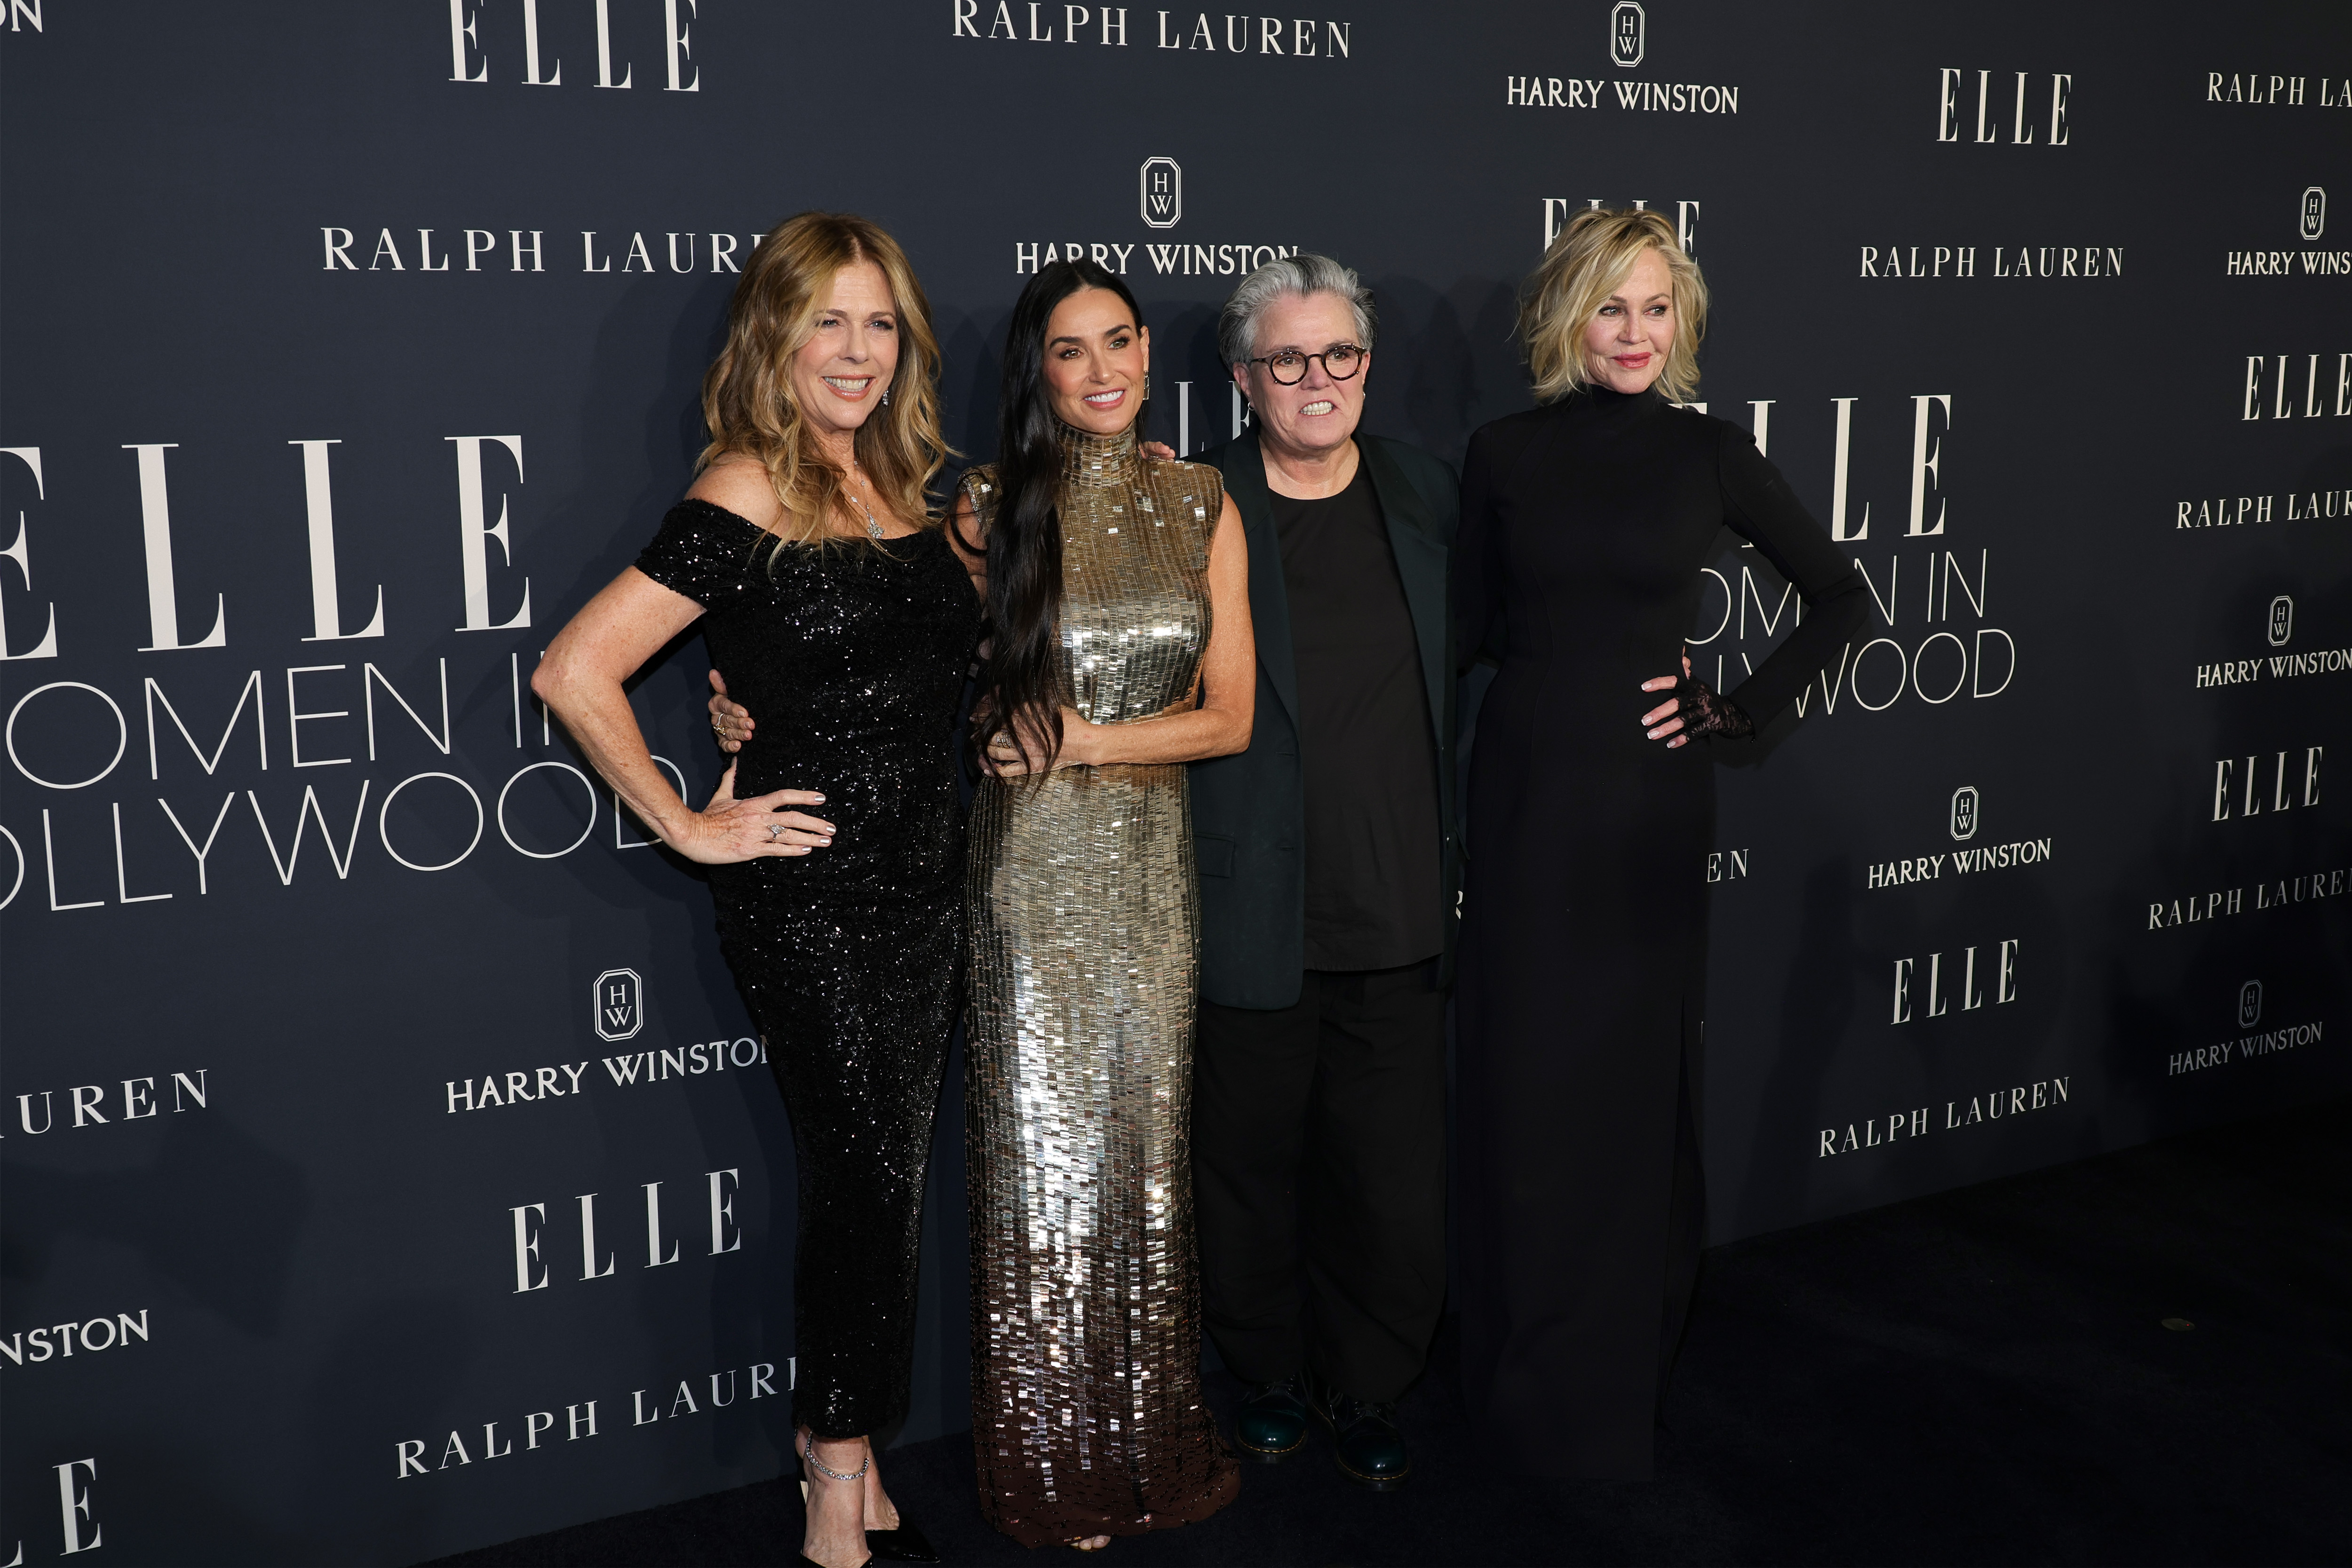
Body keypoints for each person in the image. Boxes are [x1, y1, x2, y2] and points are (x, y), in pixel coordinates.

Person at [533, 212, 973, 1568]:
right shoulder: (746, 489)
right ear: (774, 340)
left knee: (888, 1185)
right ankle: (836, 1476)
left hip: (932, 883)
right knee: (863, 1181)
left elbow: (917, 673)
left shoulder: (916, 485)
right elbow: (574, 669)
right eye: (826, 322)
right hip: (817, 899)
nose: (855, 350)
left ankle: (849, 1443)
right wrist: (688, 823)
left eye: (878, 322)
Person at [1452, 207, 1868, 1479]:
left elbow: (1843, 599)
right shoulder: (1502, 453)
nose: (1634, 332)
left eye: (1655, 307)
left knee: (1626, 1096)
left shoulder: (1711, 455)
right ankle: (1511, 1365)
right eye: (1609, 305)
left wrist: (1735, 708)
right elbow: (1463, 636)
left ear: (1681, 323)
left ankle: (1611, 1375)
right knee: (1523, 1083)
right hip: (1522, 793)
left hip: (1644, 805)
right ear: (1567, 318)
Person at [958, 258, 1254, 1549]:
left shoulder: (1200, 500)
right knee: (1046, 1167)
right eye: (1071, 351)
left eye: (1119, 341)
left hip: (1148, 877)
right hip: (1029, 884)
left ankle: (1143, 1447)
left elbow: (1229, 719)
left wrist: (1077, 741)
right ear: (1039, 372)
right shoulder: (982, 506)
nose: (1103, 371)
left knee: (1142, 1167)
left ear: (1147, 350)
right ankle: (1049, 1461)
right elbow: (920, 677)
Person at [1186, 255, 1459, 1491]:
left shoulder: (1425, 491)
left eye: (1337, 355)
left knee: (1389, 1182)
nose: (1317, 379)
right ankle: (1271, 1377)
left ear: (1367, 364)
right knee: (1250, 1170)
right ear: (1245, 378)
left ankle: (1370, 1383)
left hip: (1400, 904)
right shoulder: (1198, 504)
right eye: (1287, 359)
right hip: (1255, 906)